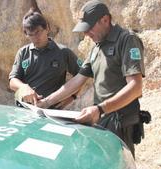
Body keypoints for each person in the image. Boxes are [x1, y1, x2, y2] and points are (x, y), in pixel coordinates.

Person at [37, 0, 145, 157]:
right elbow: (77, 80)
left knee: (119, 163)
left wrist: (101, 109)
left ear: (105, 20)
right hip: (102, 117)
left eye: (89, 28)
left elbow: (135, 86)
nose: (86, 34)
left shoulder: (126, 39)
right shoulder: (96, 48)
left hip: (120, 121)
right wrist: (46, 102)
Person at [9, 11, 82, 108]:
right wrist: (24, 87)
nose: (35, 38)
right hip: (24, 109)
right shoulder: (23, 53)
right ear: (26, 34)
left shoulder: (63, 52)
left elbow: (82, 76)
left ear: (47, 28)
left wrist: (72, 97)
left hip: (51, 111)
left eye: (38, 32)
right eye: (31, 34)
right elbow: (12, 81)